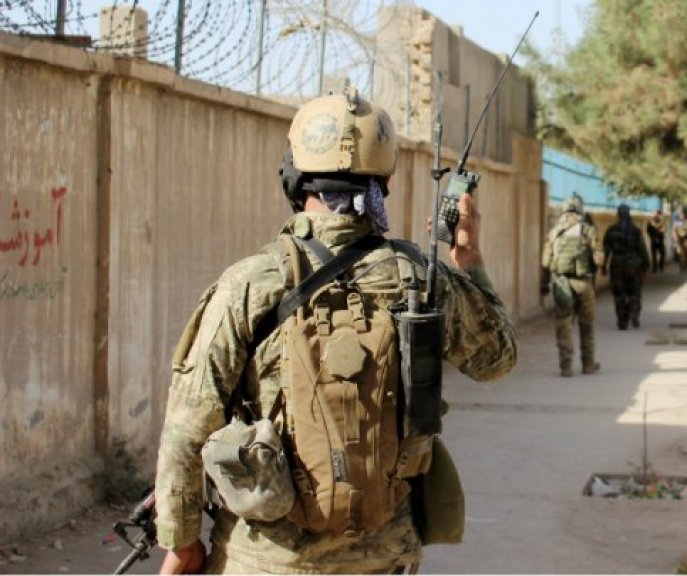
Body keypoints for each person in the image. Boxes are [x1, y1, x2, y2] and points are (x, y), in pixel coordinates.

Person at [154, 90, 517, 574]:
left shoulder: (250, 282)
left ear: (292, 174)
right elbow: (497, 359)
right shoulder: (418, 277)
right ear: (385, 182)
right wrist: (469, 261)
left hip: (267, 558)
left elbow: (188, 424)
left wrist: (181, 542)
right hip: (383, 554)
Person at [541, 193, 601, 377]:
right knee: (587, 324)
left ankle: (565, 366)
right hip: (583, 283)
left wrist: (544, 284)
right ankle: (588, 364)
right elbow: (599, 258)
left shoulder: (555, 232)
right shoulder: (588, 230)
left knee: (564, 324)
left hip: (561, 283)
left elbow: (546, 262)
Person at [602, 204, 650, 330]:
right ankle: (634, 313)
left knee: (619, 294)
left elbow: (606, 250)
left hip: (617, 265)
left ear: (618, 215)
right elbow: (642, 250)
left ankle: (622, 320)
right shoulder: (636, 231)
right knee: (634, 292)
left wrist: (603, 266)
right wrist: (646, 266)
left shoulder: (611, 231)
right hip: (633, 266)